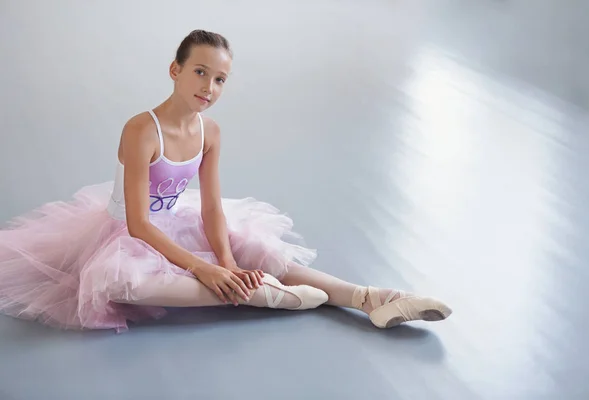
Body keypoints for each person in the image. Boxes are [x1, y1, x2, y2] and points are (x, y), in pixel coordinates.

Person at [0, 29, 451, 333]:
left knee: (258, 250)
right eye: (200, 72)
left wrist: (227, 259)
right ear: (175, 70)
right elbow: (137, 224)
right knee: (121, 283)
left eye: (220, 79)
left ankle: (372, 297)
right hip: (127, 233)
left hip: (180, 220)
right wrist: (205, 267)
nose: (209, 87)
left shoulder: (209, 131)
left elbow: (213, 207)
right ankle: (264, 297)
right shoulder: (141, 129)